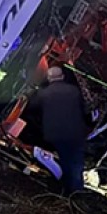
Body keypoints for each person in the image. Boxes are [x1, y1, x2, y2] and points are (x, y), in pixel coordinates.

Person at [28, 65, 90, 194]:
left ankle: (67, 189)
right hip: (74, 132)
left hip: (56, 133)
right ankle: (77, 189)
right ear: (62, 77)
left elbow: (31, 108)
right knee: (76, 162)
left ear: (49, 78)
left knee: (65, 160)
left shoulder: (44, 94)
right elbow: (84, 110)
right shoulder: (73, 91)